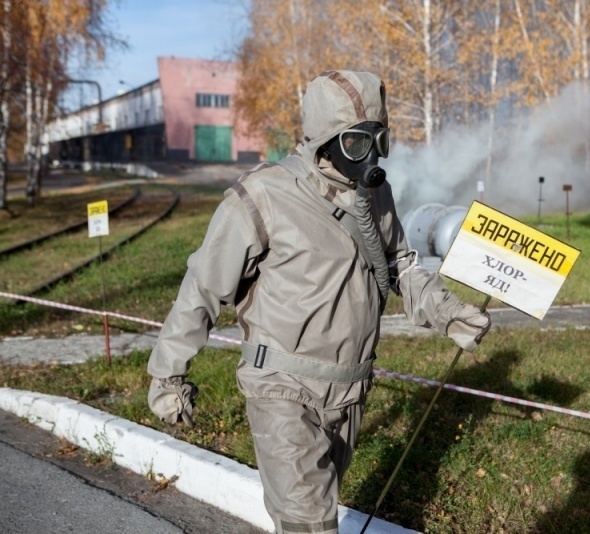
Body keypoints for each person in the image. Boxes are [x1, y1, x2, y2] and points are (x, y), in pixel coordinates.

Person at [146, 70, 491, 534]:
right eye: (355, 144)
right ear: (324, 139)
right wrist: (168, 373)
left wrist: (449, 314)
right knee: (310, 524)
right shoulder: (264, 196)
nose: (369, 156)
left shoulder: (375, 196)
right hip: (283, 389)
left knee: (313, 516)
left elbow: (401, 266)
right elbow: (203, 286)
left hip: (350, 390)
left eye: (379, 140)